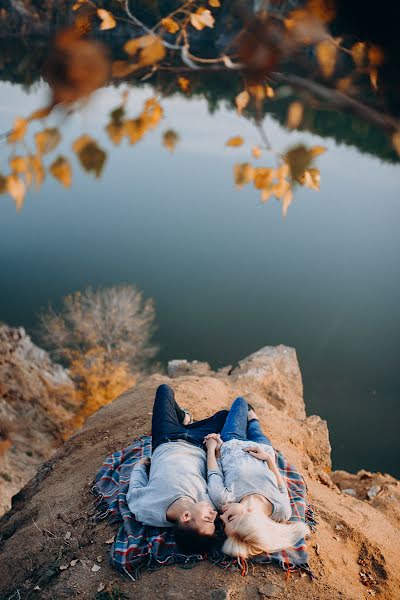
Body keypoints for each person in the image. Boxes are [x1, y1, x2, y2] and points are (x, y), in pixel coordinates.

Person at [126, 384, 228, 554]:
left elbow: (134, 490)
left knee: (164, 390)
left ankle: (184, 420)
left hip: (165, 438)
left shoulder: (146, 509)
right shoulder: (209, 503)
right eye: (213, 520)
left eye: (207, 519)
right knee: (225, 416)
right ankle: (186, 423)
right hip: (198, 442)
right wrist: (213, 450)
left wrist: (139, 467)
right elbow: (214, 474)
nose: (214, 515)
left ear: (186, 517)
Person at [205, 397, 310, 559]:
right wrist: (268, 459)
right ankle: (253, 418)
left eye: (223, 523)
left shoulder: (223, 500)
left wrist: (213, 450)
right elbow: (281, 485)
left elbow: (214, 472)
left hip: (232, 441)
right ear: (250, 514)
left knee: (240, 402)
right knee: (255, 428)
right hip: (263, 448)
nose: (221, 516)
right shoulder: (281, 511)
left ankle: (246, 415)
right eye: (230, 518)